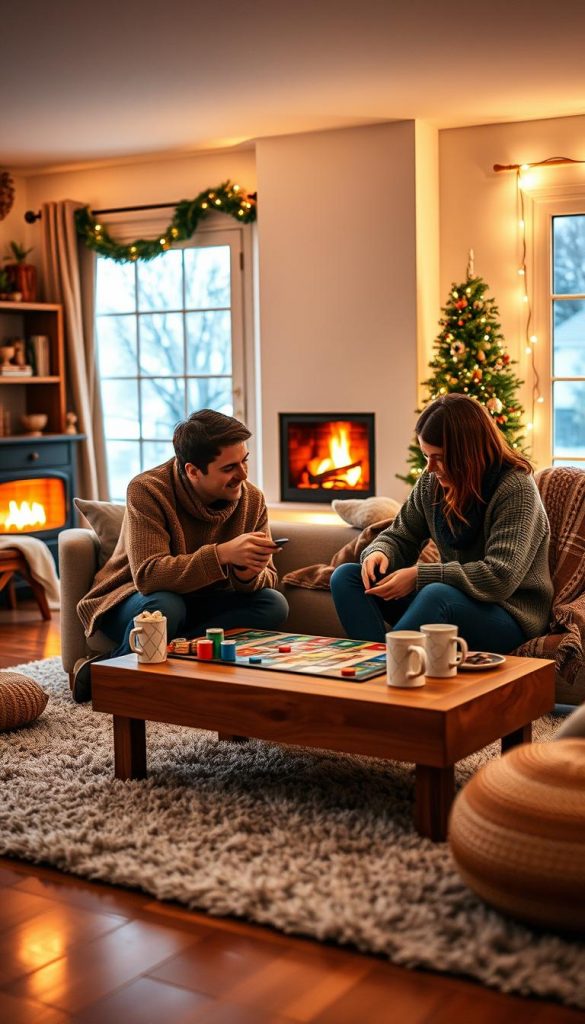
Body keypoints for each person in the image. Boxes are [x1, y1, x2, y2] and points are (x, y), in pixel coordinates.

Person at [73, 409, 289, 702]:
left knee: (272, 604)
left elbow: (268, 578)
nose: (243, 475)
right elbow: (148, 576)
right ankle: (119, 684)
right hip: (131, 598)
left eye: (245, 461)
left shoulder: (252, 499)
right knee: (165, 605)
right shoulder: (147, 490)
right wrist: (223, 554)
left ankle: (114, 662)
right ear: (192, 470)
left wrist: (247, 573)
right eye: (229, 468)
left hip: (201, 600)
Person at [330, 394, 553, 653]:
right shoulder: (431, 484)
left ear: (468, 454)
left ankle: (385, 670)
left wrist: (418, 576)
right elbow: (400, 535)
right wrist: (380, 552)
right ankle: (380, 661)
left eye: (438, 457)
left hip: (508, 615)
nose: (430, 468)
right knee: (346, 577)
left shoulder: (515, 488)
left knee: (436, 594)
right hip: (453, 600)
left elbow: (499, 578)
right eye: (426, 456)